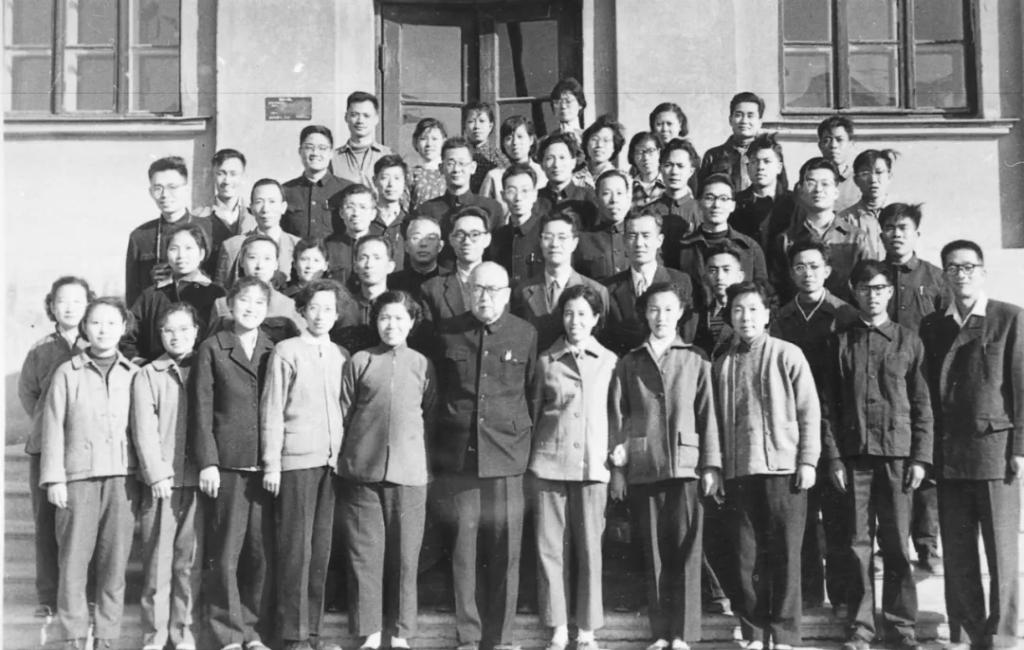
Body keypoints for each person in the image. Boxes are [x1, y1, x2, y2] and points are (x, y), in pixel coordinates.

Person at [919, 240, 1024, 650]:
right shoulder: (933, 325)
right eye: (952, 268)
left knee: (1001, 554)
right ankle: (965, 633)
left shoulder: (1009, 318)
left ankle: (1002, 637)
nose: (961, 275)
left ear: (982, 272)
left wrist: (1020, 448)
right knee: (959, 551)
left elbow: (1022, 386)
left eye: (968, 267)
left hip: (996, 452)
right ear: (944, 275)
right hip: (950, 453)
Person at [608, 281, 721, 650]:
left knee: (686, 550)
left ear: (681, 313)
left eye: (669, 309)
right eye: (654, 309)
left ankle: (682, 633)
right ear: (645, 313)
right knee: (654, 551)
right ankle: (660, 631)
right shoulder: (630, 362)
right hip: (645, 465)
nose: (661, 317)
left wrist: (711, 465)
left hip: (687, 467)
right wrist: (619, 470)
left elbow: (708, 415)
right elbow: (619, 418)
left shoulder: (696, 358)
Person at [828, 260, 933, 650]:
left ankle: (901, 626)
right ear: (854, 292)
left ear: (890, 292)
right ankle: (861, 628)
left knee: (896, 545)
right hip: (854, 457)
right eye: (864, 288)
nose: (872, 296)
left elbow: (922, 405)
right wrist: (834, 458)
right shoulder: (840, 342)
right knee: (857, 546)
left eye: (879, 288)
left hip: (897, 458)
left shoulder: (909, 342)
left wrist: (920, 457)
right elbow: (828, 408)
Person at [433, 262, 537, 650]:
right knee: (463, 548)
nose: (485, 297)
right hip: (460, 456)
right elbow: (439, 393)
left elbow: (532, 394)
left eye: (493, 290)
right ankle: (469, 635)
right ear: (468, 292)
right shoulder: (447, 332)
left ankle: (501, 638)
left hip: (507, 454)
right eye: (478, 289)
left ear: (507, 294)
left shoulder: (525, 333)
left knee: (506, 549)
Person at [713, 281, 821, 650]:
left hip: (783, 471)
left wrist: (808, 460)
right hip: (739, 472)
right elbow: (715, 421)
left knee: (785, 555)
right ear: (730, 316)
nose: (746, 317)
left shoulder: (787, 354)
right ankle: (754, 633)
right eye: (738, 310)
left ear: (767, 314)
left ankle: (785, 634)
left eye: (753, 309)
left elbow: (809, 412)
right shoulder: (723, 363)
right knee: (745, 557)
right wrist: (719, 468)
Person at [338, 290, 437, 650]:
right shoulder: (360, 361)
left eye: (399, 318)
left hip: (409, 475)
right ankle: (370, 633)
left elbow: (430, 414)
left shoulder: (422, 364)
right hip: (361, 474)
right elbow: (345, 411)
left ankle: (400, 633)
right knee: (364, 556)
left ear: (411, 323)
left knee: (405, 557)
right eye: (384, 318)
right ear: (375, 322)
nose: (391, 325)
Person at [40, 297, 139, 649]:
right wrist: (55, 478)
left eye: (112, 323)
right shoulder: (67, 373)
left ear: (123, 328)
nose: (103, 330)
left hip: (122, 479)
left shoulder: (134, 374)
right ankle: (73, 635)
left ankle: (107, 636)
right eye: (96, 322)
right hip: (78, 478)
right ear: (85, 327)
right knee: (73, 562)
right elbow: (53, 426)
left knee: (114, 563)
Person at [770, 240, 858, 615]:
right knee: (801, 515)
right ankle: (808, 594)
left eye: (814, 266)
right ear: (791, 273)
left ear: (827, 271)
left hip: (836, 423)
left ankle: (841, 596)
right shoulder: (781, 318)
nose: (808, 274)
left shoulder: (845, 314)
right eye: (800, 267)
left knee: (838, 517)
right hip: (794, 425)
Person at [261, 279, 349, 650]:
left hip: (332, 464)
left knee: (321, 550)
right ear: (301, 312)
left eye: (328, 309)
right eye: (314, 308)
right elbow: (272, 409)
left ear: (337, 314)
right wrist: (272, 463)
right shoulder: (287, 351)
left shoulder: (342, 355)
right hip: (296, 462)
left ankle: (313, 633)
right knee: (295, 550)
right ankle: (293, 635)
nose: (320, 315)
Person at [191, 275, 277, 650]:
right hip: (226, 465)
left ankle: (252, 631)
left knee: (259, 553)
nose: (251, 309)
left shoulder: (274, 348)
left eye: (259, 303)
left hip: (264, 467)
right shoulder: (213, 347)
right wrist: (207, 462)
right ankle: (226, 632)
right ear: (229, 303)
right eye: (244, 301)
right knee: (225, 552)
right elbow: (201, 409)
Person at [529, 284, 617, 650]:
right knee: (550, 549)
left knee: (590, 549)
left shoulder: (610, 361)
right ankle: (558, 626)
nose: (575, 321)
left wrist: (616, 464)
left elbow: (617, 417)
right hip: (549, 466)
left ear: (596, 319)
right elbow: (534, 412)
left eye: (582, 314)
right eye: (568, 313)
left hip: (593, 467)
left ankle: (587, 629)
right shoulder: (546, 361)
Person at [18, 276, 93, 620]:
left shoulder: (96, 344)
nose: (70, 307)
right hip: (45, 447)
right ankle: (48, 595)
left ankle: (84, 594)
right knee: (46, 523)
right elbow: (29, 394)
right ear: (51, 306)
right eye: (62, 301)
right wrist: (49, 426)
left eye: (78, 301)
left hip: (84, 449)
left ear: (88, 305)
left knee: (82, 523)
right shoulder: (40, 349)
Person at [131, 303, 204, 650]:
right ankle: (155, 636)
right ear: (160, 334)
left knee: (189, 564)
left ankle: (184, 634)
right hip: (162, 482)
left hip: (199, 481)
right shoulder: (148, 374)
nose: (177, 336)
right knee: (158, 564)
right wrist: (156, 472)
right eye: (169, 330)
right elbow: (143, 429)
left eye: (184, 329)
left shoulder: (206, 366)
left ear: (196, 331)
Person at [878, 203, 946, 573]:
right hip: (883, 384)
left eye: (902, 227)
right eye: (889, 227)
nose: (896, 234)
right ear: (881, 234)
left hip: (924, 382)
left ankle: (927, 545)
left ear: (916, 233)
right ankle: (890, 544)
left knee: (924, 465)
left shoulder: (935, 278)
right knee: (887, 467)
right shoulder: (873, 278)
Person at [769, 157, 882, 303]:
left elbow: (872, 284)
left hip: (845, 314)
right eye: (811, 183)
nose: (818, 189)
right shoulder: (786, 240)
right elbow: (777, 290)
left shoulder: (857, 238)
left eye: (825, 184)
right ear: (801, 190)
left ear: (836, 192)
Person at [511, 209, 609, 352]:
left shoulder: (597, 291)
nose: (554, 244)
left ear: (574, 243)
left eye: (562, 237)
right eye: (548, 237)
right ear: (540, 242)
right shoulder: (522, 291)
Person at [600, 211, 694, 356]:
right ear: (624, 241)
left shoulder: (680, 281)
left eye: (646, 235)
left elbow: (687, 333)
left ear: (659, 240)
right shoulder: (608, 288)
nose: (639, 243)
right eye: (632, 236)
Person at [127, 223, 225, 362]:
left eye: (188, 248)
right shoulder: (151, 295)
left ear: (201, 253)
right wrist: (140, 362)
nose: (181, 256)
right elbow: (129, 336)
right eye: (174, 249)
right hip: (157, 370)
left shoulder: (216, 294)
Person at [126, 156, 213, 306]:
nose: (165, 195)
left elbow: (220, 281)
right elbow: (133, 296)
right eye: (158, 188)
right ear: (150, 192)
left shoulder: (208, 228)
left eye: (172, 187)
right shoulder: (140, 236)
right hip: (156, 312)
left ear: (186, 189)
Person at [678, 174, 768, 311]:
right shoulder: (684, 247)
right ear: (699, 203)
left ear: (733, 205)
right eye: (709, 198)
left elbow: (762, 294)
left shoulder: (749, 247)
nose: (716, 205)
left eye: (724, 199)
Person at [416, 136, 504, 267]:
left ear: (473, 167)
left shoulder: (492, 208)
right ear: (441, 168)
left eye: (462, 163)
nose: (456, 169)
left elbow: (498, 256)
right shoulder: (427, 210)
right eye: (450, 163)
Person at [209, 234, 306, 344]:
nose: (259, 266)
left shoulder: (287, 305)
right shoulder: (222, 305)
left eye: (267, 258)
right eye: (252, 257)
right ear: (241, 262)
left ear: (276, 264)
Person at [418, 207, 492, 336]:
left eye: (475, 234)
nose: (467, 241)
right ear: (451, 240)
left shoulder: (503, 285)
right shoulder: (432, 289)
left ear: (487, 239)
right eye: (460, 235)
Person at [217, 179, 301, 288]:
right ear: (251, 208)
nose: (265, 209)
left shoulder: (298, 246)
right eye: (259, 202)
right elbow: (222, 292)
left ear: (283, 207)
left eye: (272, 201)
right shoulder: (233, 246)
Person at [282, 125, 353, 241]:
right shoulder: (285, 191)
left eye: (322, 148)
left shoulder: (347, 189)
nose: (315, 152)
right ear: (300, 151)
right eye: (309, 147)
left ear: (331, 153)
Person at [331, 235, 395, 354]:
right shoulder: (342, 307)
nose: (369, 264)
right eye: (363, 258)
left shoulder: (398, 308)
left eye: (377, 258)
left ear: (390, 266)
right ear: (355, 267)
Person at [728, 133, 795, 246]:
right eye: (754, 161)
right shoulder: (735, 203)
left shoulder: (794, 202)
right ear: (748, 167)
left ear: (779, 167)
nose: (760, 167)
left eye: (767, 161)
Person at [195, 148, 257, 269]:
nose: (227, 181)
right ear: (213, 176)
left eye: (233, 174)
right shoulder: (198, 217)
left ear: (243, 177)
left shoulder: (255, 217)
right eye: (221, 173)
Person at [644, 138, 702, 267]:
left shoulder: (701, 211)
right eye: (668, 165)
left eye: (680, 166)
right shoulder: (648, 211)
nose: (674, 172)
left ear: (691, 171)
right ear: (661, 168)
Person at [487, 164, 547, 286]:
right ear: (503, 195)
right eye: (511, 191)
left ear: (535, 195)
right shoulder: (497, 237)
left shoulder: (546, 233)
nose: (518, 198)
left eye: (525, 191)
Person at [479, 115, 546, 218]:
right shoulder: (494, 176)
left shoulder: (543, 173)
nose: (515, 143)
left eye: (520, 137)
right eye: (509, 138)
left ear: (531, 140)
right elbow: (483, 213)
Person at [699, 92, 765, 191]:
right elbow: (701, 193)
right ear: (730, 120)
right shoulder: (713, 156)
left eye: (750, 116)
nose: (744, 121)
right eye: (738, 115)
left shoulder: (769, 155)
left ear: (760, 122)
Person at [536, 132, 600, 229]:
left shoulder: (588, 197)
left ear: (573, 162)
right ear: (542, 164)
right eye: (549, 158)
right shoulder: (534, 199)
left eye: (562, 157)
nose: (556, 164)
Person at [574, 170, 630, 281]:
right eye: (606, 193)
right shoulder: (582, 240)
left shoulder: (641, 235)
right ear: (596, 200)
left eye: (619, 193)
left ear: (628, 198)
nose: (614, 200)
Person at [837, 148, 896, 251]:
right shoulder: (844, 220)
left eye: (879, 172)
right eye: (865, 174)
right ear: (856, 180)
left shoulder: (902, 215)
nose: (873, 180)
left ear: (889, 176)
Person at [691, 245, 744, 357]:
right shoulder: (698, 315)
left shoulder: (749, 314)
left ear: (740, 276)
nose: (719, 277)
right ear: (705, 277)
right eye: (713, 271)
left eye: (726, 270)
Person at [333, 91, 393, 187]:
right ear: (346, 117)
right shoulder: (333, 158)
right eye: (354, 115)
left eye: (366, 116)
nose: (360, 121)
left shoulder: (388, 155)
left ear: (376, 119)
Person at [325, 183, 379, 286]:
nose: (356, 213)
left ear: (373, 214)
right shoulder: (328, 247)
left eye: (362, 207)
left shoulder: (381, 247)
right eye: (350, 207)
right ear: (341, 213)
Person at [387, 216, 446, 298]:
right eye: (416, 238)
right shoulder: (391, 283)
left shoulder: (453, 280)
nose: (423, 244)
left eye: (431, 238)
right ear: (406, 246)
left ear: (440, 246)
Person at [372, 155, 409, 271]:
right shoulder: (365, 220)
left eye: (397, 178)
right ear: (374, 180)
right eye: (384, 178)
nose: (391, 184)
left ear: (405, 182)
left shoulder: (410, 222)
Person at [815, 116, 860, 213]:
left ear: (851, 144)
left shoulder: (859, 183)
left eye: (839, 140)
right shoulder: (808, 182)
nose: (833, 145)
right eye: (827, 140)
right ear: (820, 146)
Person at [463, 102, 506, 192]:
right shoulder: (459, 153)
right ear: (464, 126)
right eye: (471, 121)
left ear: (490, 126)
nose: (476, 126)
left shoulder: (497, 157)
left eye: (482, 121)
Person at [408, 117, 448, 209]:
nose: (429, 144)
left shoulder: (450, 172)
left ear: (444, 141)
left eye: (434, 139)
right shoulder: (411, 174)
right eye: (423, 139)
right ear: (415, 142)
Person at [576, 114, 625, 188]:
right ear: (586, 143)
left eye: (606, 140)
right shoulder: (573, 179)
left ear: (614, 147)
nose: (599, 145)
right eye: (594, 139)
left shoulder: (622, 180)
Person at [627, 132, 665, 207]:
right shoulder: (627, 188)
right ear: (633, 156)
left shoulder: (670, 184)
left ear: (659, 153)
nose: (646, 158)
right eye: (639, 152)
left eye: (650, 151)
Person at [549, 77, 586, 142]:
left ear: (580, 104)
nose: (563, 106)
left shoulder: (587, 137)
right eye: (557, 102)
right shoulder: (548, 140)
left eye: (568, 101)